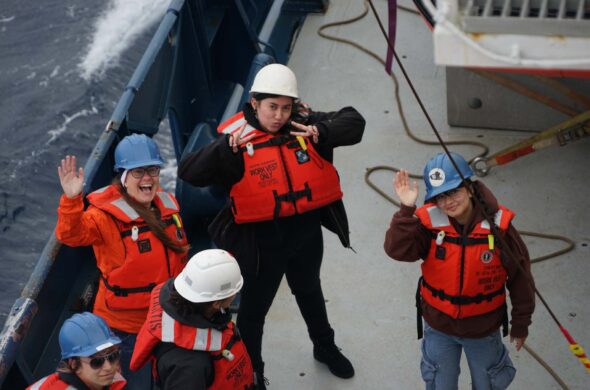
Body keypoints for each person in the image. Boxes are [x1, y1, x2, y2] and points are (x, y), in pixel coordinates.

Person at [178, 63, 365, 385]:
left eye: (285, 107)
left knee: (309, 291)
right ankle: (254, 371)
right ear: (254, 104)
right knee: (253, 312)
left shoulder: (304, 125)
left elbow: (354, 121)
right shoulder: (235, 143)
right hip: (261, 244)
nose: (279, 115)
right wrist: (224, 149)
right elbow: (190, 171)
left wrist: (321, 132)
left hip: (305, 235)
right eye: (272, 107)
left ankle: (325, 346)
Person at [383, 152, 535, 390]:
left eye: (454, 191)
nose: (448, 201)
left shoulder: (500, 228)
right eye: (440, 196)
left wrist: (520, 323)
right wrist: (405, 210)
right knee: (440, 384)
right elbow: (397, 251)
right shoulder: (427, 224)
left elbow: (520, 278)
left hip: (483, 329)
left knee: (487, 384)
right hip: (438, 327)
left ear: (470, 188)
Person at [55, 134, 189, 389]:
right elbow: (70, 235)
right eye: (138, 172)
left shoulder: (166, 206)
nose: (147, 178)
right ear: (124, 177)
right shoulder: (104, 217)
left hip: (166, 317)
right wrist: (72, 200)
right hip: (126, 329)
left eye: (152, 169)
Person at [130, 249, 255, 389]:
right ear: (216, 303)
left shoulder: (177, 308)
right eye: (233, 292)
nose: (235, 295)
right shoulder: (190, 365)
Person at [27, 312, 126, 390]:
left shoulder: (109, 380)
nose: (108, 367)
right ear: (74, 364)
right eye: (97, 362)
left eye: (113, 356)